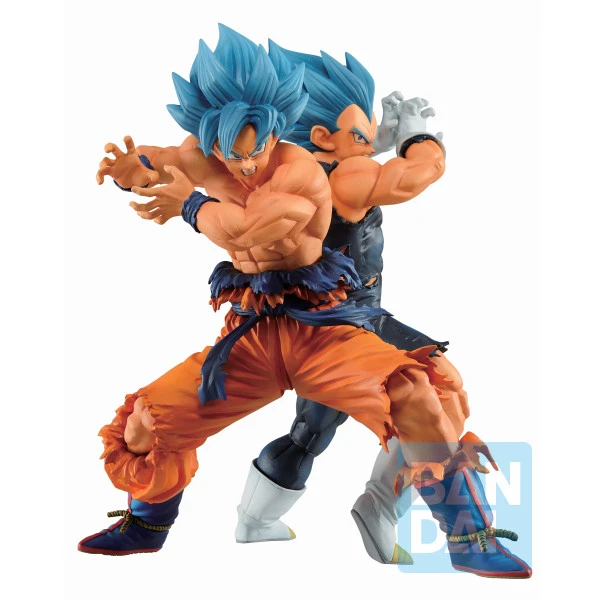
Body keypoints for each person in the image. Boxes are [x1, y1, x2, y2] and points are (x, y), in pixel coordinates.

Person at [84, 25, 531, 579]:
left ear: (277, 130)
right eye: (229, 153)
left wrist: (190, 207)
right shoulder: (210, 156)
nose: (244, 167)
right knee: (145, 422)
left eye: (254, 150)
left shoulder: (301, 175)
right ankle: (147, 526)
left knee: (418, 390)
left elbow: (247, 230)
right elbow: (162, 159)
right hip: (252, 331)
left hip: (328, 329)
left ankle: (467, 537)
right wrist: (131, 170)